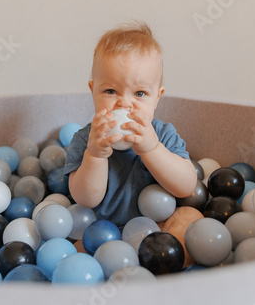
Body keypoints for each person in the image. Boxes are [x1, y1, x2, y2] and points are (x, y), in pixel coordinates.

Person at [64, 20, 197, 227]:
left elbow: (186, 187)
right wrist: (95, 155)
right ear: (93, 91)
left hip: (156, 231)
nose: (124, 103)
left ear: (157, 97)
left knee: (189, 219)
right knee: (77, 246)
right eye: (110, 91)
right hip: (101, 231)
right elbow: (85, 199)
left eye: (140, 93)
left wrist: (152, 149)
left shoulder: (163, 135)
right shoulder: (86, 140)